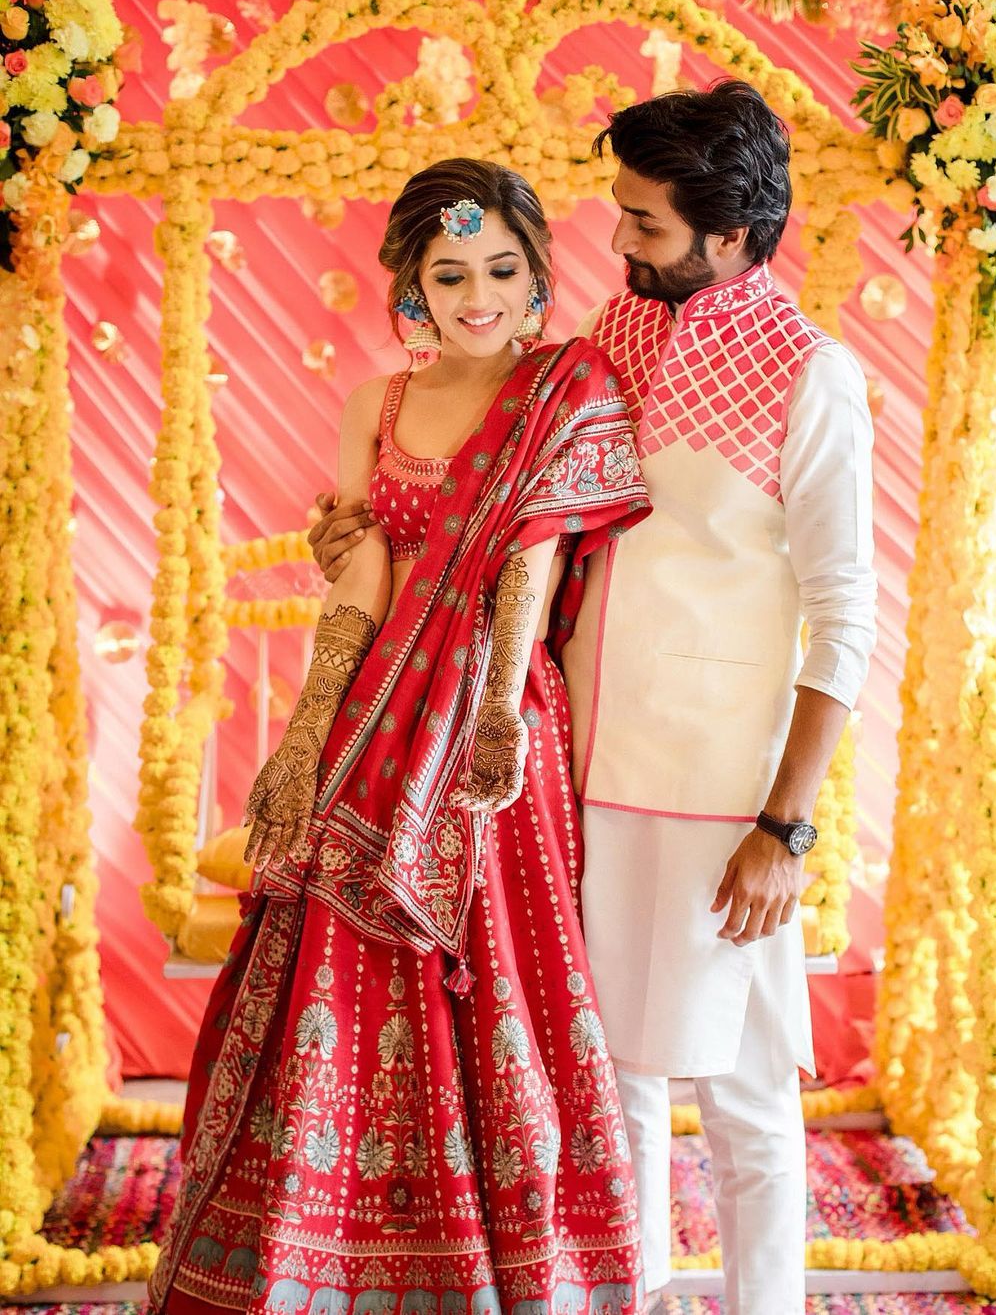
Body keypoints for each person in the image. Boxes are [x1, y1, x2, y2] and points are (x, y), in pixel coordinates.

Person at [310, 82, 877, 1315]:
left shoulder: (814, 380)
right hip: (560, 769)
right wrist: (360, 526)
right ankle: (625, 1296)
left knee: (742, 1091)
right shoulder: (603, 346)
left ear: (729, 235)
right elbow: (490, 499)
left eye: (646, 226)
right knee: (602, 1074)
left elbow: (847, 618)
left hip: (717, 789)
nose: (614, 243)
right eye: (618, 215)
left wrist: (784, 826)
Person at [149, 158, 651, 1315]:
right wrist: (305, 729)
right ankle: (312, 1255)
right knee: (336, 963)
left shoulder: (567, 391)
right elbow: (363, 568)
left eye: (501, 270)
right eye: (450, 272)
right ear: (413, 288)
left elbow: (530, 558)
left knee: (497, 982)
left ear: (536, 278)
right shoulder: (375, 402)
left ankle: (514, 1270)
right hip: (374, 713)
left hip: (493, 737)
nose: (478, 294)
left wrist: (488, 714)